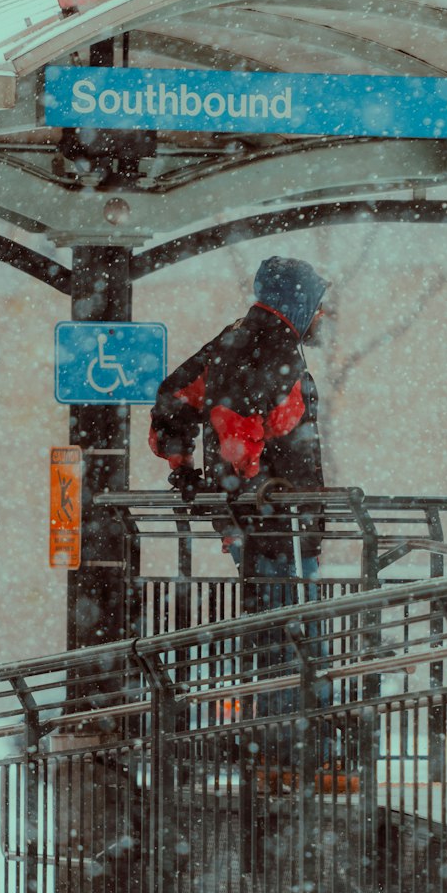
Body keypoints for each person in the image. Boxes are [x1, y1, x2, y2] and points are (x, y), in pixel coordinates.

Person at [149, 257, 337, 780]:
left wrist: (184, 466)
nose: (321, 313)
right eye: (316, 302)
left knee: (276, 631)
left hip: (254, 521)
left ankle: (285, 751)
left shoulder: (233, 340)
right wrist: (254, 481)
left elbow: (174, 396)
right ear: (297, 301)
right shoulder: (269, 347)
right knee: (295, 634)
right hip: (280, 525)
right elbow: (238, 428)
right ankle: (300, 752)